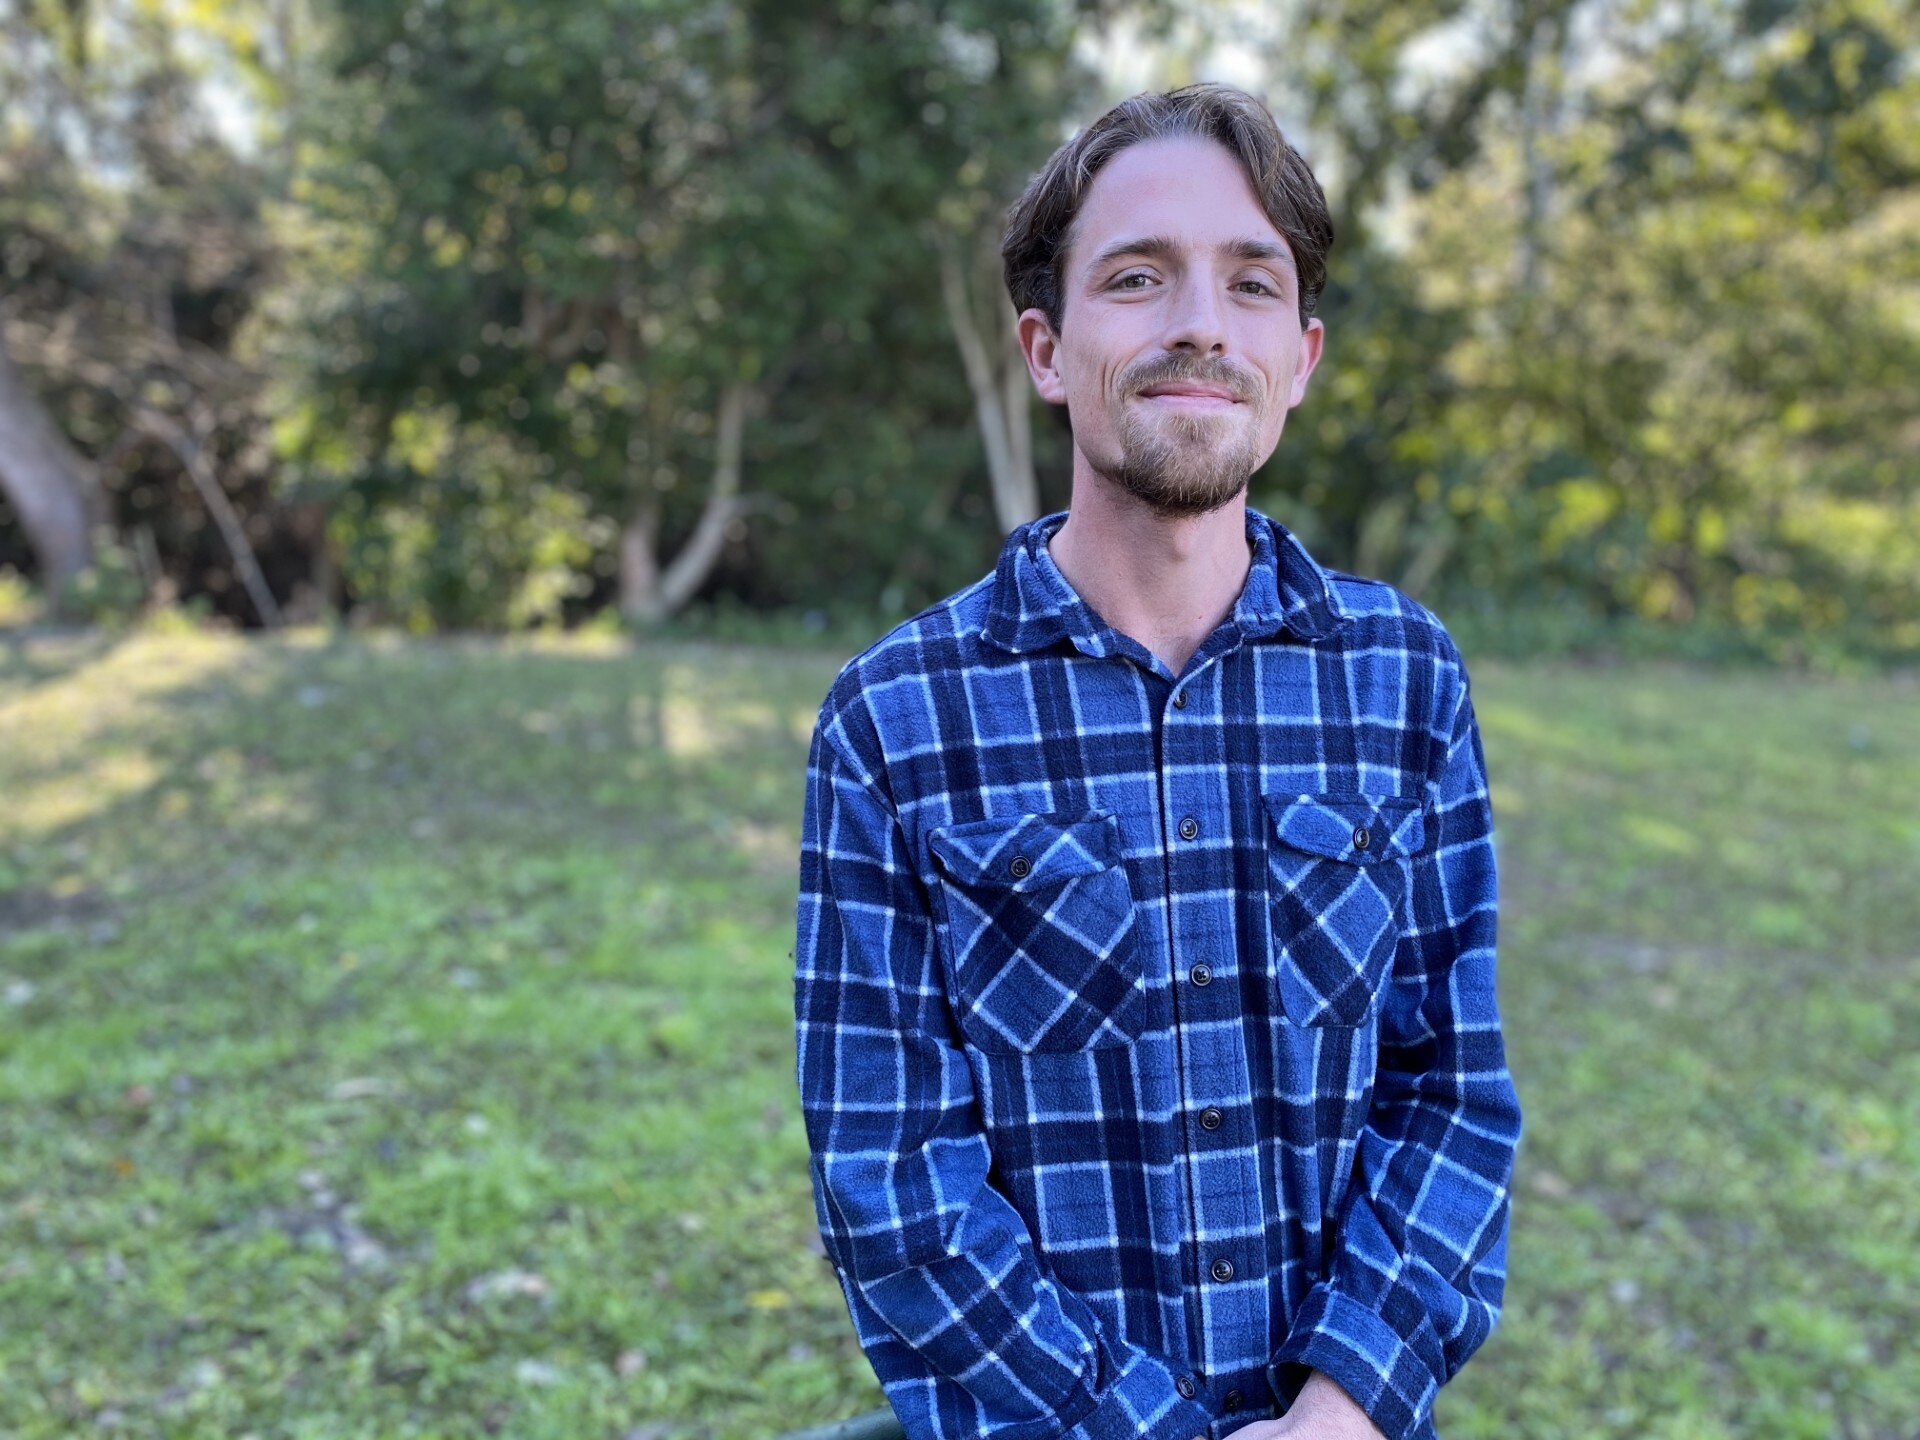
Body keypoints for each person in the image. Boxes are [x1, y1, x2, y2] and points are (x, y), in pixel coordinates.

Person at [792, 82, 1521, 1440]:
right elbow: (890, 1182)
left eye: (1252, 283)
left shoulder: (1404, 680)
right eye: (1138, 277)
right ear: (1048, 347)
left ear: (1299, 356)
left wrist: (1340, 1410)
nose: (1199, 321)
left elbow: (1452, 1095)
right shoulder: (896, 720)